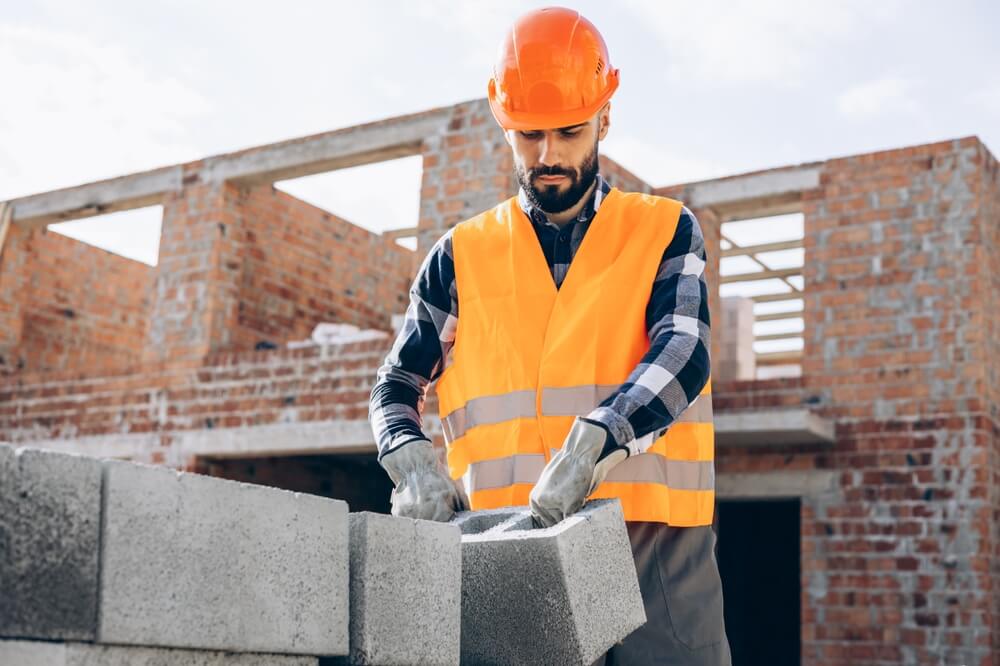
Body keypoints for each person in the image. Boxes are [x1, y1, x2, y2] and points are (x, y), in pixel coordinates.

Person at [368, 7, 731, 664]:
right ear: (504, 124)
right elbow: (397, 382)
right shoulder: (460, 255)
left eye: (569, 131)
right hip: (509, 561)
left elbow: (685, 350)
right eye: (529, 135)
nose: (549, 155)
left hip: (658, 559)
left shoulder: (665, 229)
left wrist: (600, 438)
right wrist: (408, 455)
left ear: (605, 118)